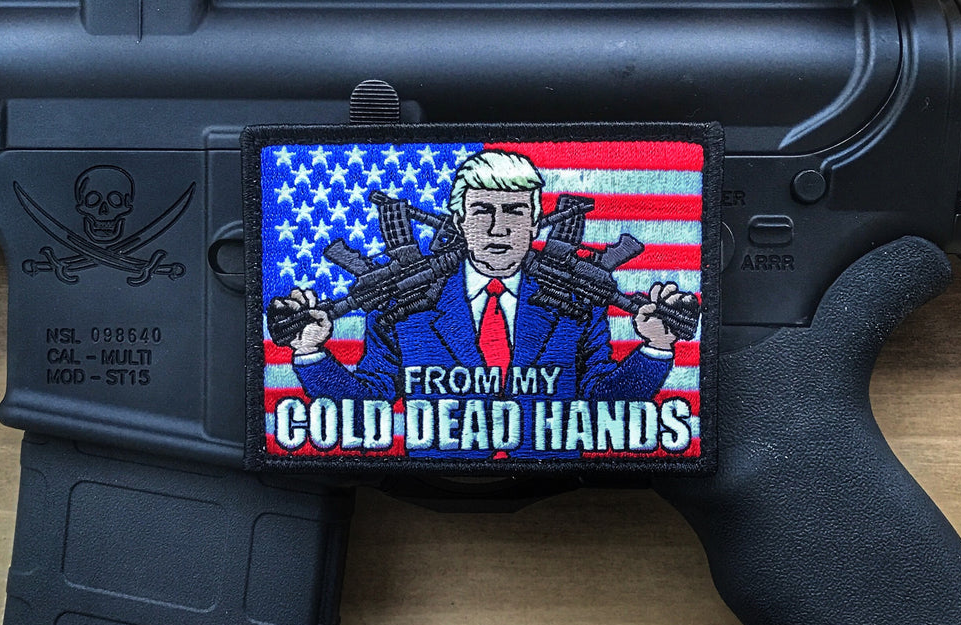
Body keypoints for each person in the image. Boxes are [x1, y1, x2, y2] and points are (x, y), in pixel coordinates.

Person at [273, 149, 693, 457]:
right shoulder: (404, 305)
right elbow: (365, 410)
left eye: (514, 212)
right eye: (481, 212)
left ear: (535, 223)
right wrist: (311, 353)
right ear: (459, 222)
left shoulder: (574, 303)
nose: (498, 228)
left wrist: (656, 347)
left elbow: (606, 404)